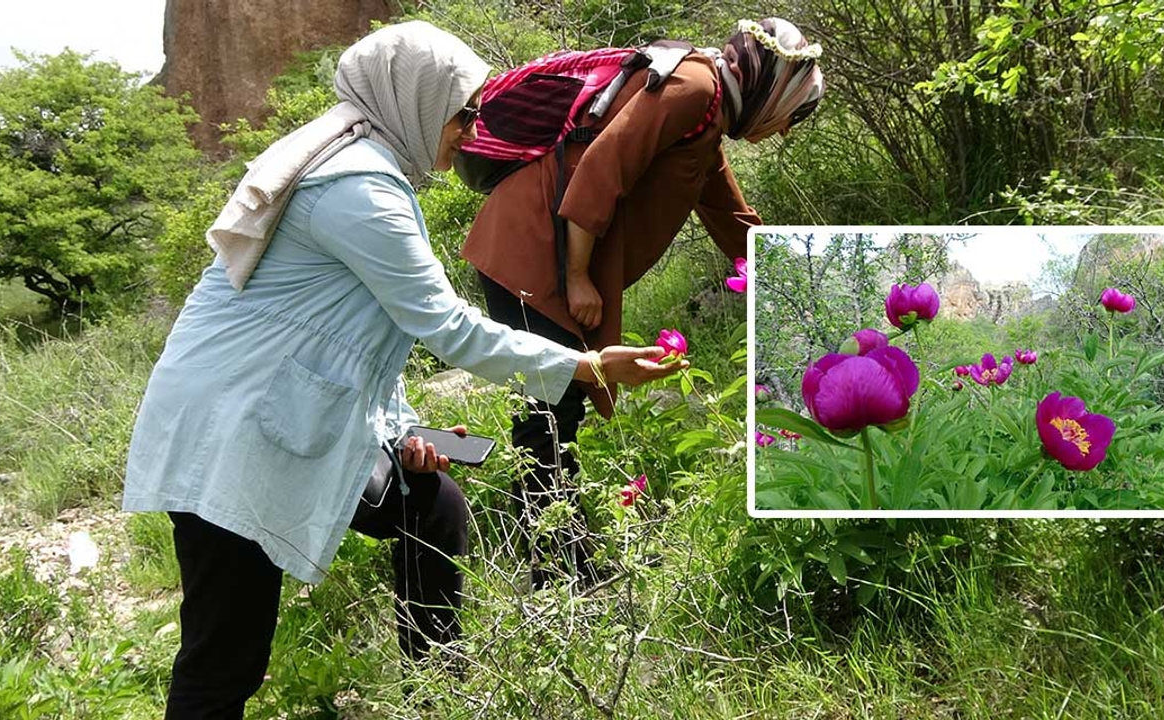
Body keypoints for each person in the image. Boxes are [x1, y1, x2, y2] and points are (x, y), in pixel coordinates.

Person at [122, 21, 684, 719]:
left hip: (290, 414)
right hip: (231, 431)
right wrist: (587, 366)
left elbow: (357, 337)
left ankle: (434, 686)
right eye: (464, 111)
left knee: (430, 502)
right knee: (225, 655)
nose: (473, 130)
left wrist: (408, 432)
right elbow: (446, 327)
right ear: (411, 99)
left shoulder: (365, 166)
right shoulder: (357, 188)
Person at [461, 18, 824, 588]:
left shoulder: (707, 117)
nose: (783, 130)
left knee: (558, 408)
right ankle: (558, 574)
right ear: (770, 86)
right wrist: (579, 276)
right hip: (531, 251)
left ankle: (566, 561)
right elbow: (605, 164)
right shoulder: (696, 90)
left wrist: (788, 284)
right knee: (552, 409)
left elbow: (731, 218)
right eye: (792, 112)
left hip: (541, 250)